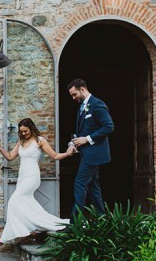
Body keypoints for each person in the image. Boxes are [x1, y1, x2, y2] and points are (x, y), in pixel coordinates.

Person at [0, 118, 74, 245]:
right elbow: (9, 157)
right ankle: (33, 229)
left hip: (32, 176)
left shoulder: (39, 140)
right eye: (21, 131)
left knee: (14, 201)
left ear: (31, 128)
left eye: (25, 131)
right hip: (22, 176)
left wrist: (68, 154)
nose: (24, 133)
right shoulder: (21, 141)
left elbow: (55, 156)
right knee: (27, 203)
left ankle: (12, 236)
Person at [67, 78, 114, 220]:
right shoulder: (82, 107)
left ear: (82, 89)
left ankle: (74, 224)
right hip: (86, 154)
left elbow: (109, 127)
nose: (73, 98)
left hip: (94, 154)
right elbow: (80, 132)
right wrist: (73, 144)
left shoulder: (97, 104)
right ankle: (103, 218)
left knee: (80, 183)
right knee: (93, 188)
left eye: (74, 94)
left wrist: (86, 139)